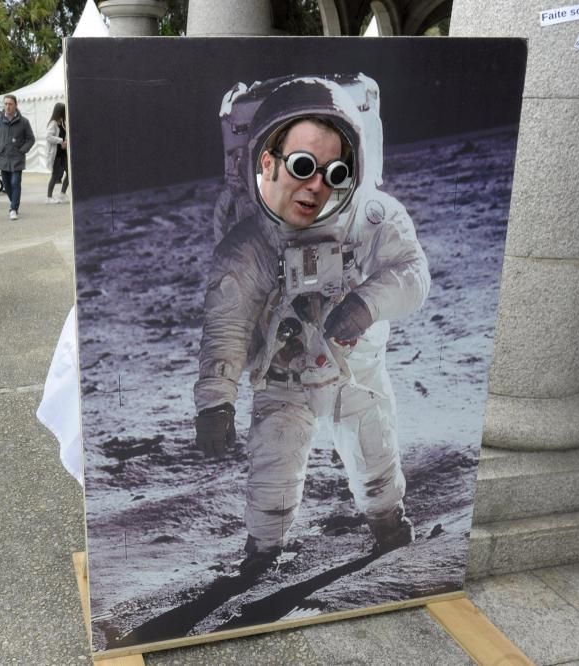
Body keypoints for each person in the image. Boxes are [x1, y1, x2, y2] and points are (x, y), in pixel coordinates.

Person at [193, 75, 430, 573]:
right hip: (283, 378)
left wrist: (366, 304)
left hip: (354, 369)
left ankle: (388, 522)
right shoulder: (250, 243)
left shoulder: (373, 218)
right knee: (273, 469)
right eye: (302, 167)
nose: (317, 185)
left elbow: (411, 274)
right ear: (267, 161)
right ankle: (262, 553)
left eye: (334, 172)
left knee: (375, 451)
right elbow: (228, 324)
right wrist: (216, 400)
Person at [0, 94, 34, 221]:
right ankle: (14, 202)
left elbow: (31, 139)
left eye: (10, 104)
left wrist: (22, 150)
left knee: (15, 182)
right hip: (3, 158)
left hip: (17, 158)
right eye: (5, 104)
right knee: (7, 185)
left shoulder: (24, 122)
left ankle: (13, 209)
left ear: (15, 105)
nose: (7, 106)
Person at [45, 102, 69, 204]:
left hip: (63, 154)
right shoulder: (53, 123)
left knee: (69, 174)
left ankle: (62, 194)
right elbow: (48, 137)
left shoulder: (62, 123)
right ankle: (49, 197)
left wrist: (66, 142)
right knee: (55, 175)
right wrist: (61, 141)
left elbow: (65, 135)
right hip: (56, 154)